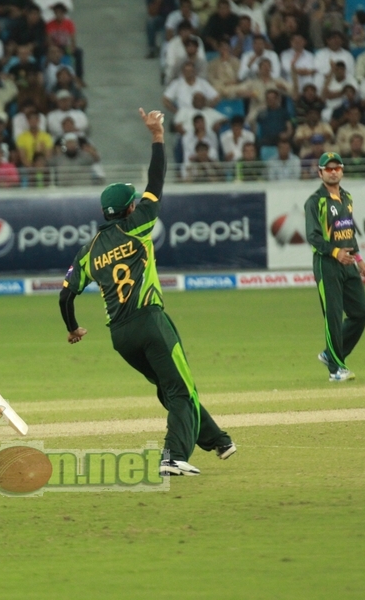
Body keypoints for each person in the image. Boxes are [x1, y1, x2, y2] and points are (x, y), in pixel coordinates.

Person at [58, 108, 235, 477]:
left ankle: (218, 439)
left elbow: (65, 294)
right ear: (130, 208)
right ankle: (172, 456)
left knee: (170, 389)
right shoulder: (137, 225)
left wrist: (73, 328)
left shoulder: (90, 249)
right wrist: (157, 135)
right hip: (151, 322)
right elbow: (157, 180)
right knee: (182, 391)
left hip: (121, 337)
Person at [304, 152, 365, 382]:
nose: (333, 172)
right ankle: (336, 370)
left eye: (336, 168)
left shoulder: (347, 197)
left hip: (348, 262)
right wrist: (335, 252)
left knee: (360, 313)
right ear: (320, 173)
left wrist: (358, 257)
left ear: (342, 171)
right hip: (327, 264)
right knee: (333, 315)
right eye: (328, 169)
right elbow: (312, 236)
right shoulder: (315, 201)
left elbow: (348, 231)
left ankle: (330, 355)